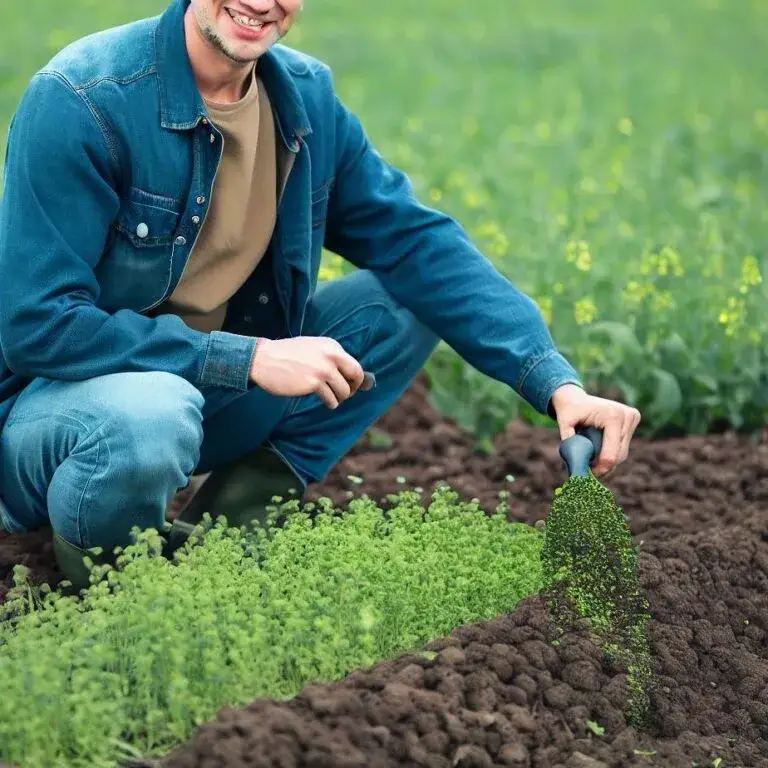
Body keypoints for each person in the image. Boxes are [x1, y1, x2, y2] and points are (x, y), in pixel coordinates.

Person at [0, 0, 641, 588]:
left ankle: (224, 540)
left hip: (205, 399)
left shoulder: (302, 97)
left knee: (402, 301)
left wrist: (557, 384)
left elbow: (417, 242)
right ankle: (113, 592)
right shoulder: (84, 98)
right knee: (152, 411)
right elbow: (38, 326)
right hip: (56, 421)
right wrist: (247, 359)